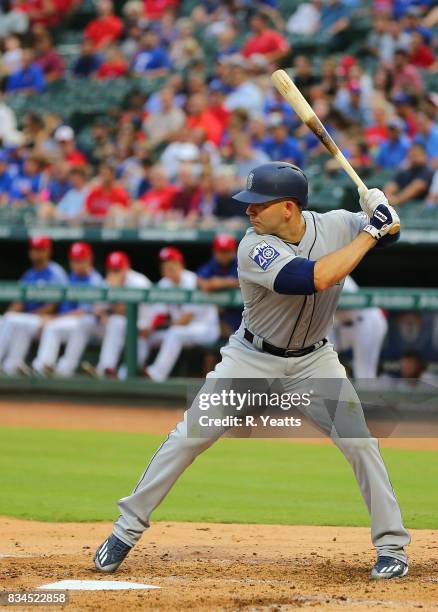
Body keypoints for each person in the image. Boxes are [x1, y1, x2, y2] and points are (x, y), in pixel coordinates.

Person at [94, 162, 410, 581]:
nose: (249, 211)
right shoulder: (253, 246)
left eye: (259, 204)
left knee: (360, 443)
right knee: (188, 437)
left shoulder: (336, 224)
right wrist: (372, 231)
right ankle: (125, 530)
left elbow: (391, 234)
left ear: (289, 207)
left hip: (314, 361)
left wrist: (382, 211)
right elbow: (312, 277)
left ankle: (392, 547)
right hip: (250, 360)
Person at [140, 247, 220, 381]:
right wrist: (149, 328)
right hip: (181, 329)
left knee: (175, 332)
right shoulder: (164, 284)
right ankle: (128, 372)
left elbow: (185, 320)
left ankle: (156, 375)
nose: (167, 269)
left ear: (180, 265)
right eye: (164, 266)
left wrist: (163, 325)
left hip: (205, 329)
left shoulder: (192, 281)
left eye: (171, 265)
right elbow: (158, 313)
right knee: (145, 336)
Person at [32, 242, 103, 377]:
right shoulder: (71, 278)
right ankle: (44, 366)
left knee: (54, 326)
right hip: (68, 323)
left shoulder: (94, 280)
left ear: (89, 259)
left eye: (80, 260)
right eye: (74, 260)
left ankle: (53, 367)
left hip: (88, 325)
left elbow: (82, 312)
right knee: (53, 327)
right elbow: (58, 304)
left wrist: (53, 318)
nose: (76, 264)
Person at [0, 236, 67, 375]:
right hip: (29, 320)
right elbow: (18, 303)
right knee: (10, 320)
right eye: (34, 249)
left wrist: (17, 316)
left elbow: (53, 305)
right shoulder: (29, 274)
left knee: (13, 319)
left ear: (47, 251)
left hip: (47, 320)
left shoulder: (56, 273)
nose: (36, 253)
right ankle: (10, 367)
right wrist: (6, 316)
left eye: (40, 250)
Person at [83, 251, 151, 378]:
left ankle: (111, 372)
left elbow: (128, 310)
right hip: (121, 328)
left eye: (118, 269)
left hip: (142, 328)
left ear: (126, 268)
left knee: (129, 370)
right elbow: (98, 309)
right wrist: (104, 314)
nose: (115, 273)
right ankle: (105, 369)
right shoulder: (107, 282)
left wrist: (114, 292)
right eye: (112, 270)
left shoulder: (139, 282)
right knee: (100, 322)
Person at [331, 275, 388, 379]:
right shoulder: (311, 273)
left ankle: (367, 393)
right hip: (340, 326)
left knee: (364, 373)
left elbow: (347, 302)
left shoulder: (338, 272)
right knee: (323, 358)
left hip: (366, 321)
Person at [197, 233, 241, 335]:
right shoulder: (213, 263)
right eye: (221, 251)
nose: (223, 255)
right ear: (214, 252)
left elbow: (245, 281)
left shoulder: (239, 262)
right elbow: (200, 279)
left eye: (227, 251)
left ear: (234, 251)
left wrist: (222, 282)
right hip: (219, 311)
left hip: (239, 311)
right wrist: (209, 284)